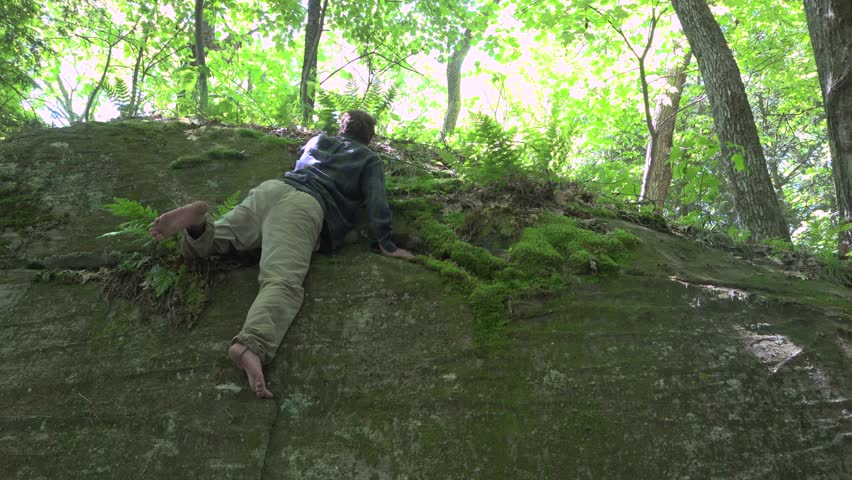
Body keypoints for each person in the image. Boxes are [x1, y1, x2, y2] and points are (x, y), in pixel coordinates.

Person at [149, 110, 414, 399]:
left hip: (272, 189)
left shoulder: (318, 140)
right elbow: (377, 203)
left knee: (218, 240)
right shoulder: (369, 159)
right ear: (370, 138)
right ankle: (251, 345)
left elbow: (301, 157)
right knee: (282, 280)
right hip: (304, 207)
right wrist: (386, 244)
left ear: (342, 128)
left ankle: (198, 225)